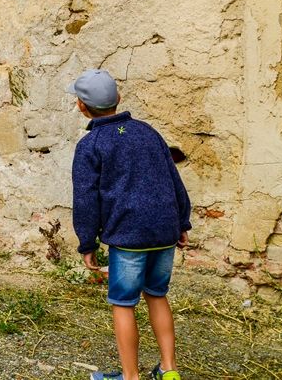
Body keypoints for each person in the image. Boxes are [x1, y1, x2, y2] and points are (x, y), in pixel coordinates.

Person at [67, 69, 191, 380]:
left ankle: (130, 376)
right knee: (157, 294)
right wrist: (182, 222)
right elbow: (173, 179)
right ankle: (169, 369)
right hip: (165, 231)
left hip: (127, 236)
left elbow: (86, 199)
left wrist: (87, 243)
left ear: (81, 106)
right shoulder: (148, 132)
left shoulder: (91, 145)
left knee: (123, 303)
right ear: (119, 99)